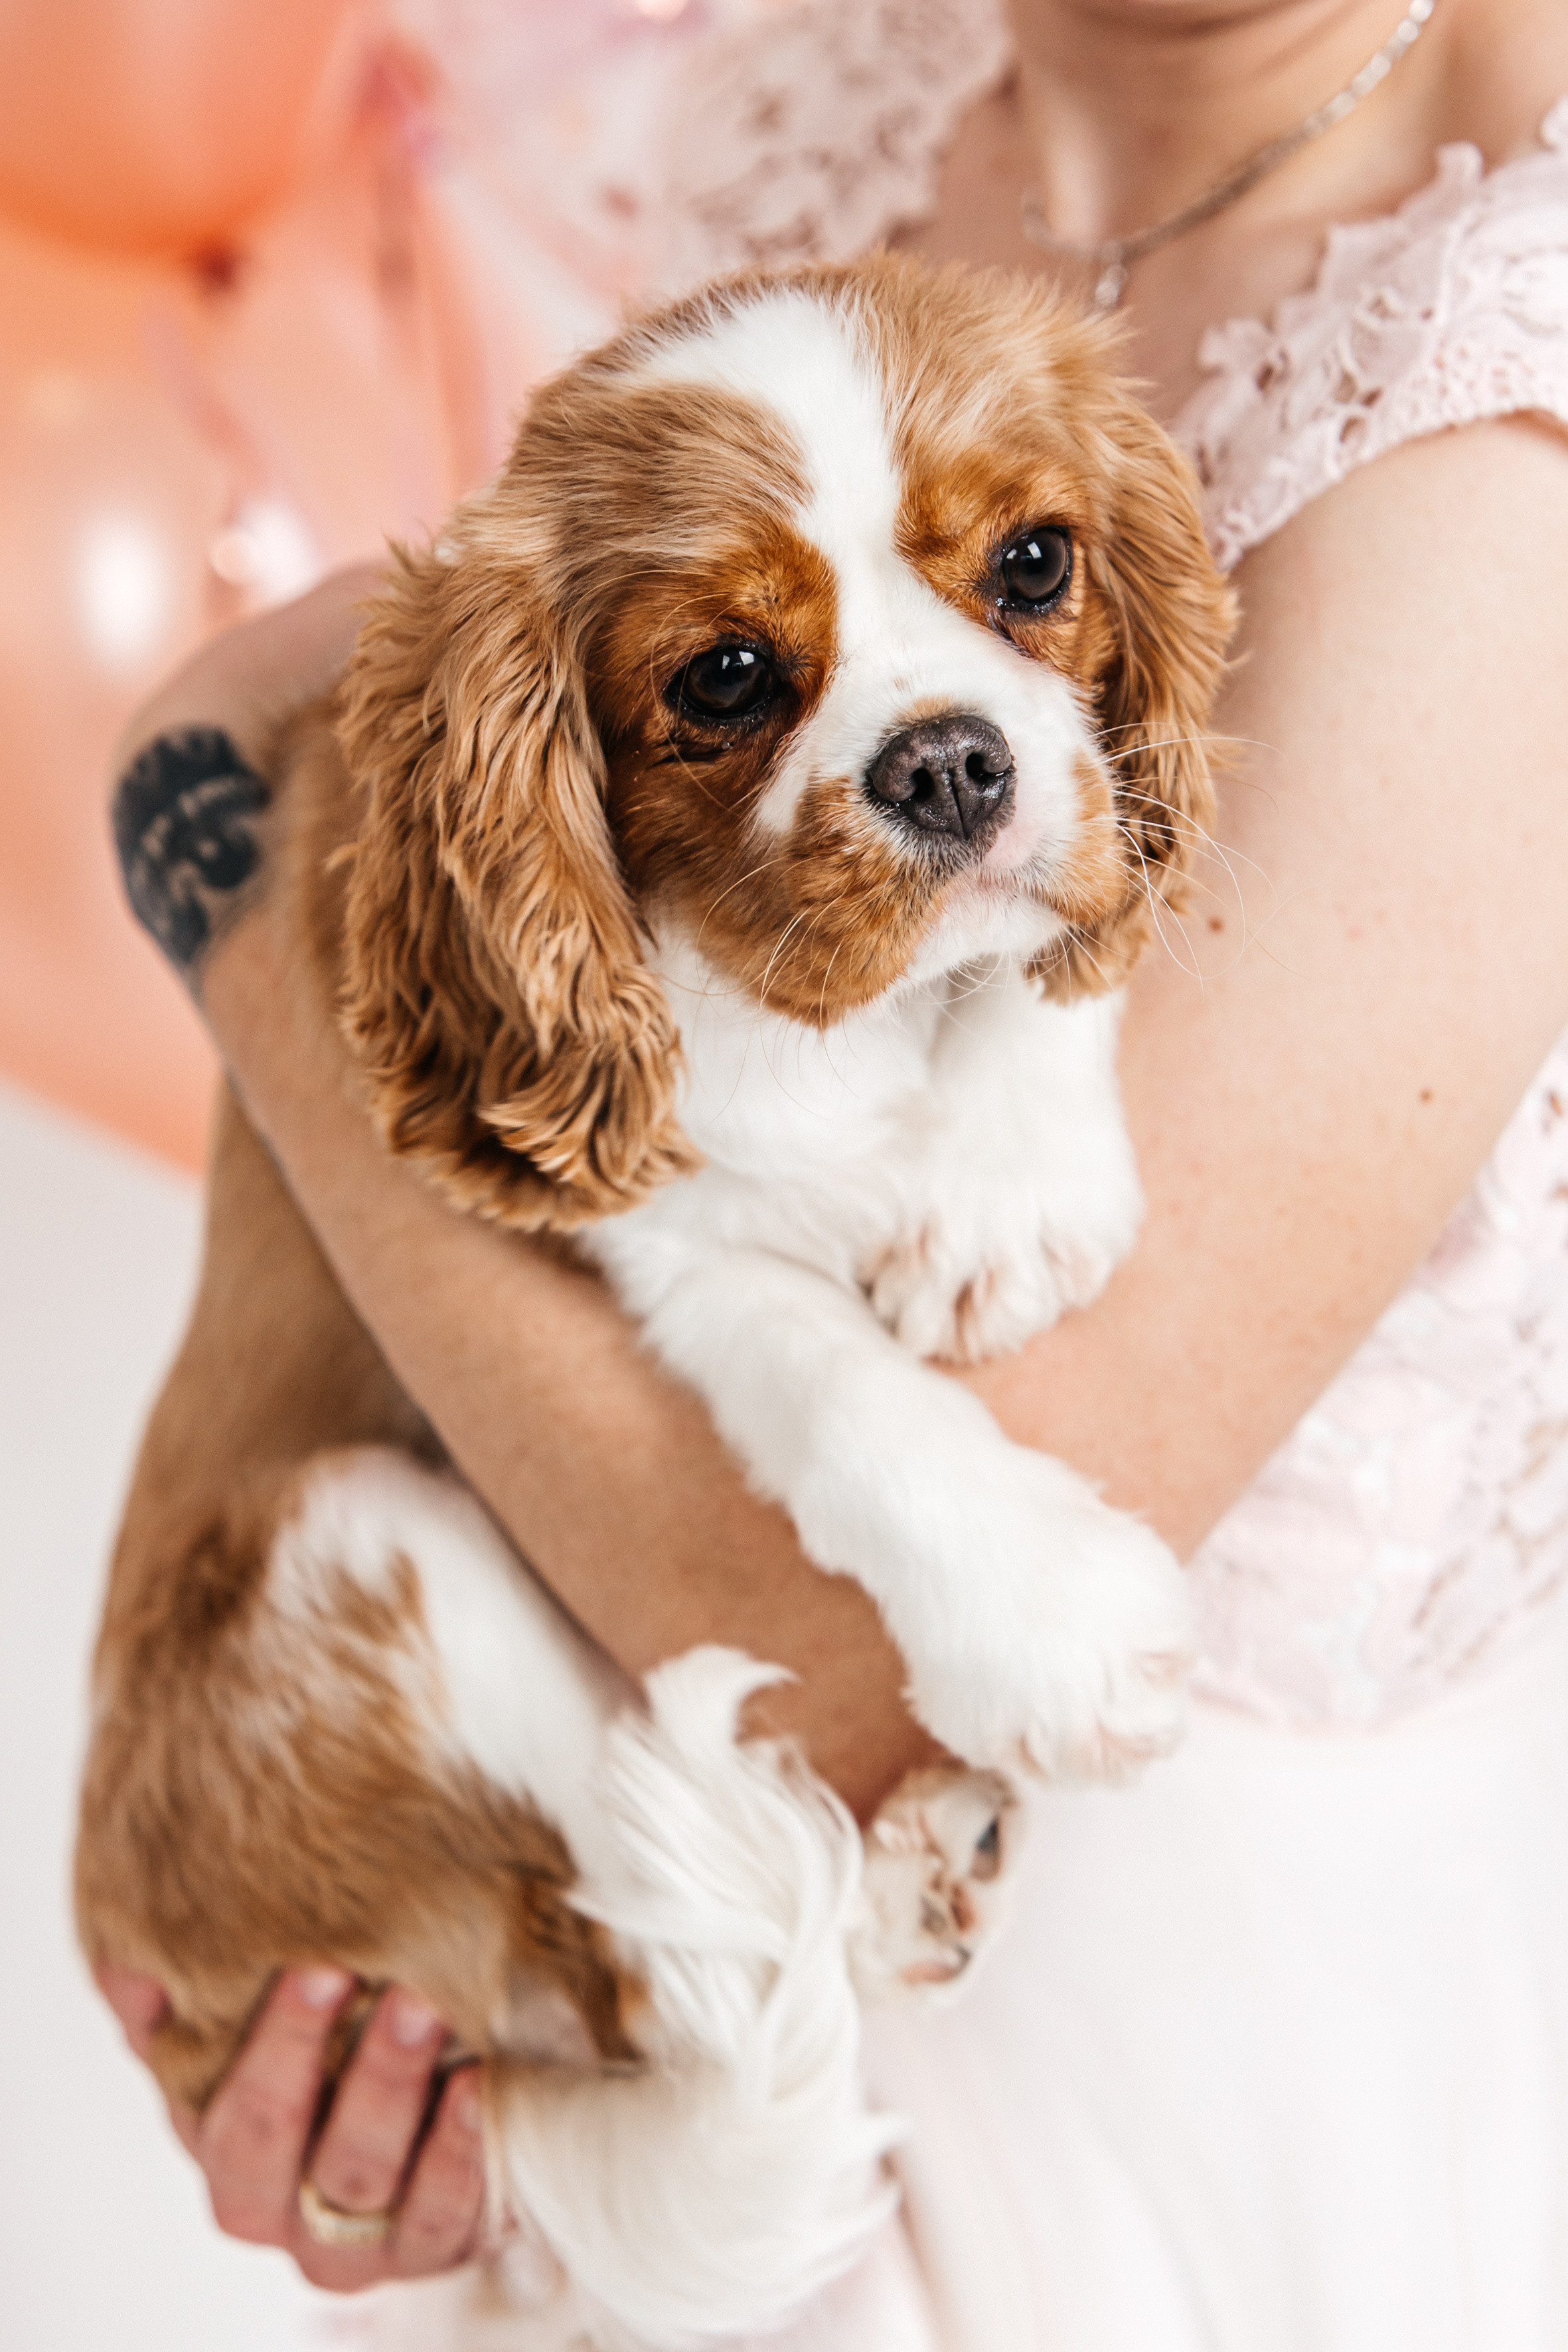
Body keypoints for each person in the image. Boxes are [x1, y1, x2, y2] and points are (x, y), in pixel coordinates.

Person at [97, 0, 1568, 2341]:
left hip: (1206, 2104)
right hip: (667, 2009)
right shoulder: (834, 102)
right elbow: (478, 762)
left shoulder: (1520, 370)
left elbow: (860, 1668)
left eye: (1019, 582)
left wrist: (216, 844)